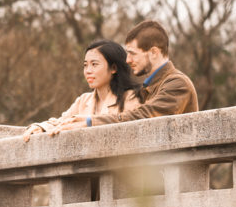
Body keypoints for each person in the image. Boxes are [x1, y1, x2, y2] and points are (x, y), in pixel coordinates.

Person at [45, 20, 197, 134]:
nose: (127, 60)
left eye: (132, 53)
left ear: (154, 53)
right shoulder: (150, 87)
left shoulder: (177, 83)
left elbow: (144, 116)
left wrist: (91, 121)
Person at [22, 39, 139, 142]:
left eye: (94, 64)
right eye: (85, 65)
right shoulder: (83, 100)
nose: (88, 71)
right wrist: (41, 127)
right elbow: (62, 122)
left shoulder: (131, 98)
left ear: (113, 68)